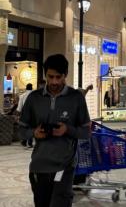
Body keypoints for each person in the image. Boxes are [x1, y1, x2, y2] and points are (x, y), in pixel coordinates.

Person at [19, 54, 91, 207]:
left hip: (64, 167)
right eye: (50, 77)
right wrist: (34, 133)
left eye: (59, 77)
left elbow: (86, 132)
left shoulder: (76, 98)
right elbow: (21, 130)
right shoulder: (34, 98)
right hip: (39, 166)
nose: (54, 82)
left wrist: (67, 129)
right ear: (45, 75)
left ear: (65, 75)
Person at [17, 83, 33, 147]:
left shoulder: (22, 95)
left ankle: (24, 141)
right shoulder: (35, 95)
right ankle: (30, 142)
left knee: (25, 127)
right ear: (32, 88)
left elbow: (19, 107)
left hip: (24, 113)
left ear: (26, 88)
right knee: (31, 128)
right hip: (33, 113)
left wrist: (18, 115)